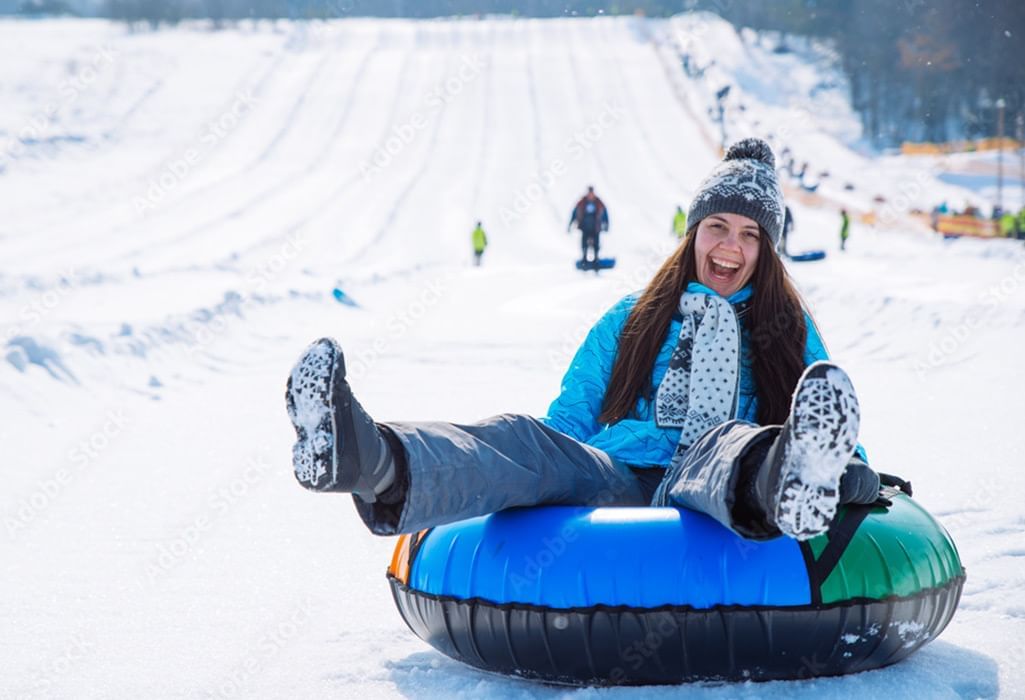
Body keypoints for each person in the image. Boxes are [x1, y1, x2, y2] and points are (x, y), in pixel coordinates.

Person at [285, 138, 884, 544]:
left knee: (731, 444)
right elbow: (570, 419)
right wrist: (543, 468)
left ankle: (785, 482)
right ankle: (369, 457)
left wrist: (848, 473)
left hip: (718, 477)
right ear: (693, 232)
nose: (731, 246)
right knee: (526, 439)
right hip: (623, 472)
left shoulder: (786, 328)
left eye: (751, 235)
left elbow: (820, 422)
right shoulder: (634, 317)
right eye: (718, 226)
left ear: (767, 251)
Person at [568, 186, 609, 266]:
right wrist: (570, 223)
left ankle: (596, 259)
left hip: (595, 227)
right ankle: (584, 258)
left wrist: (606, 223)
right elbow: (575, 212)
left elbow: (604, 212)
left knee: (596, 243)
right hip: (585, 227)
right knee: (584, 243)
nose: (590, 194)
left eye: (592, 193)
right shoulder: (582, 202)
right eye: (589, 193)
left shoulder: (598, 202)